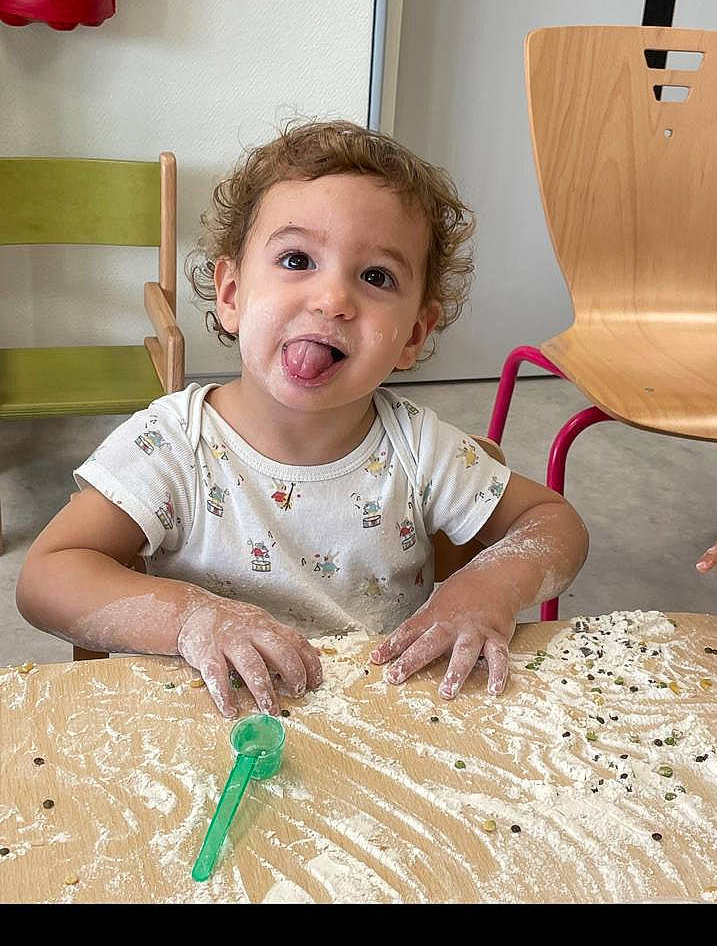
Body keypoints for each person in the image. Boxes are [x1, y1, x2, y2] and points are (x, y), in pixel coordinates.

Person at [16, 119, 589, 719]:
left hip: (374, 722)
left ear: (414, 335)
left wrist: (487, 587)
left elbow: (555, 523)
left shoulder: (420, 451)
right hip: (211, 724)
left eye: (376, 276)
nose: (332, 299)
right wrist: (190, 618)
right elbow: (46, 577)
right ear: (232, 295)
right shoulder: (172, 446)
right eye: (296, 259)